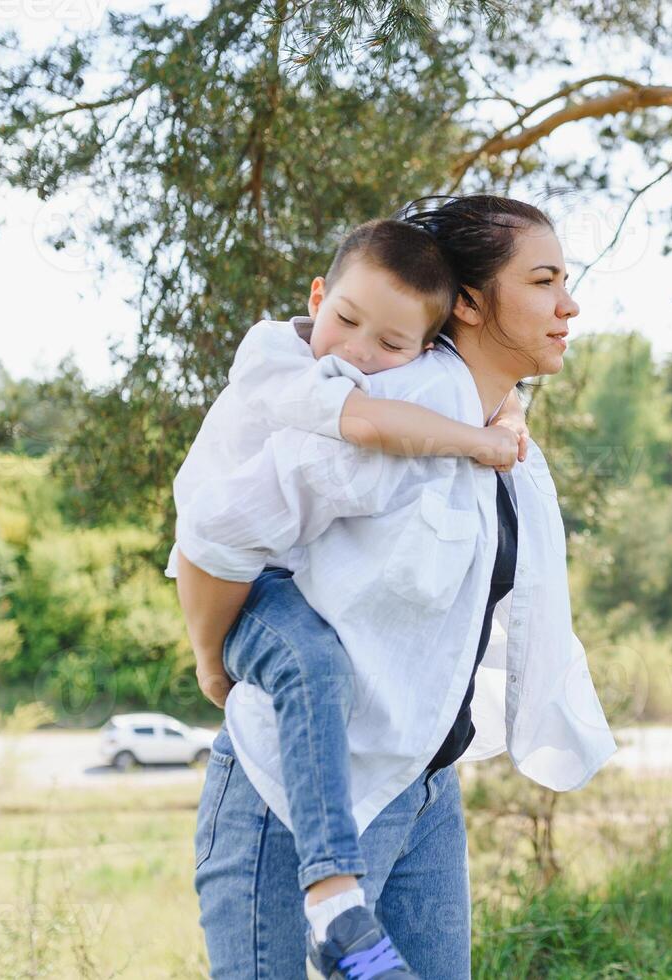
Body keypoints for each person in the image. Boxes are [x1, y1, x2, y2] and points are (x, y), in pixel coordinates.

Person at [188, 195, 617, 979]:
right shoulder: (397, 414)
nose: (569, 303)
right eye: (545, 280)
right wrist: (212, 660)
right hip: (291, 803)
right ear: (471, 302)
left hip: (419, 791)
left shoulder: (499, 426)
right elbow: (219, 530)